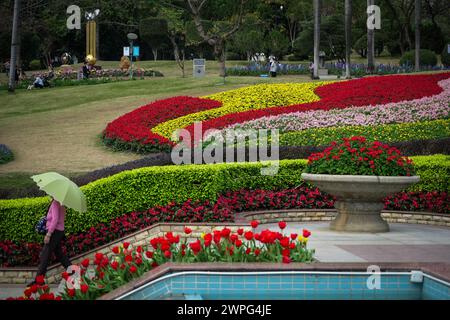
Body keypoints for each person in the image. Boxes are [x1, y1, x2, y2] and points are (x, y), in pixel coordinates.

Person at [28, 199, 72, 286]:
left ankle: (38, 281)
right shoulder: (62, 203)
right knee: (59, 254)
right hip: (59, 231)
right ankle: (73, 271)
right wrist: (47, 217)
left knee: (45, 254)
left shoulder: (55, 202)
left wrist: (48, 234)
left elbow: (55, 219)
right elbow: (61, 218)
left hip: (54, 232)